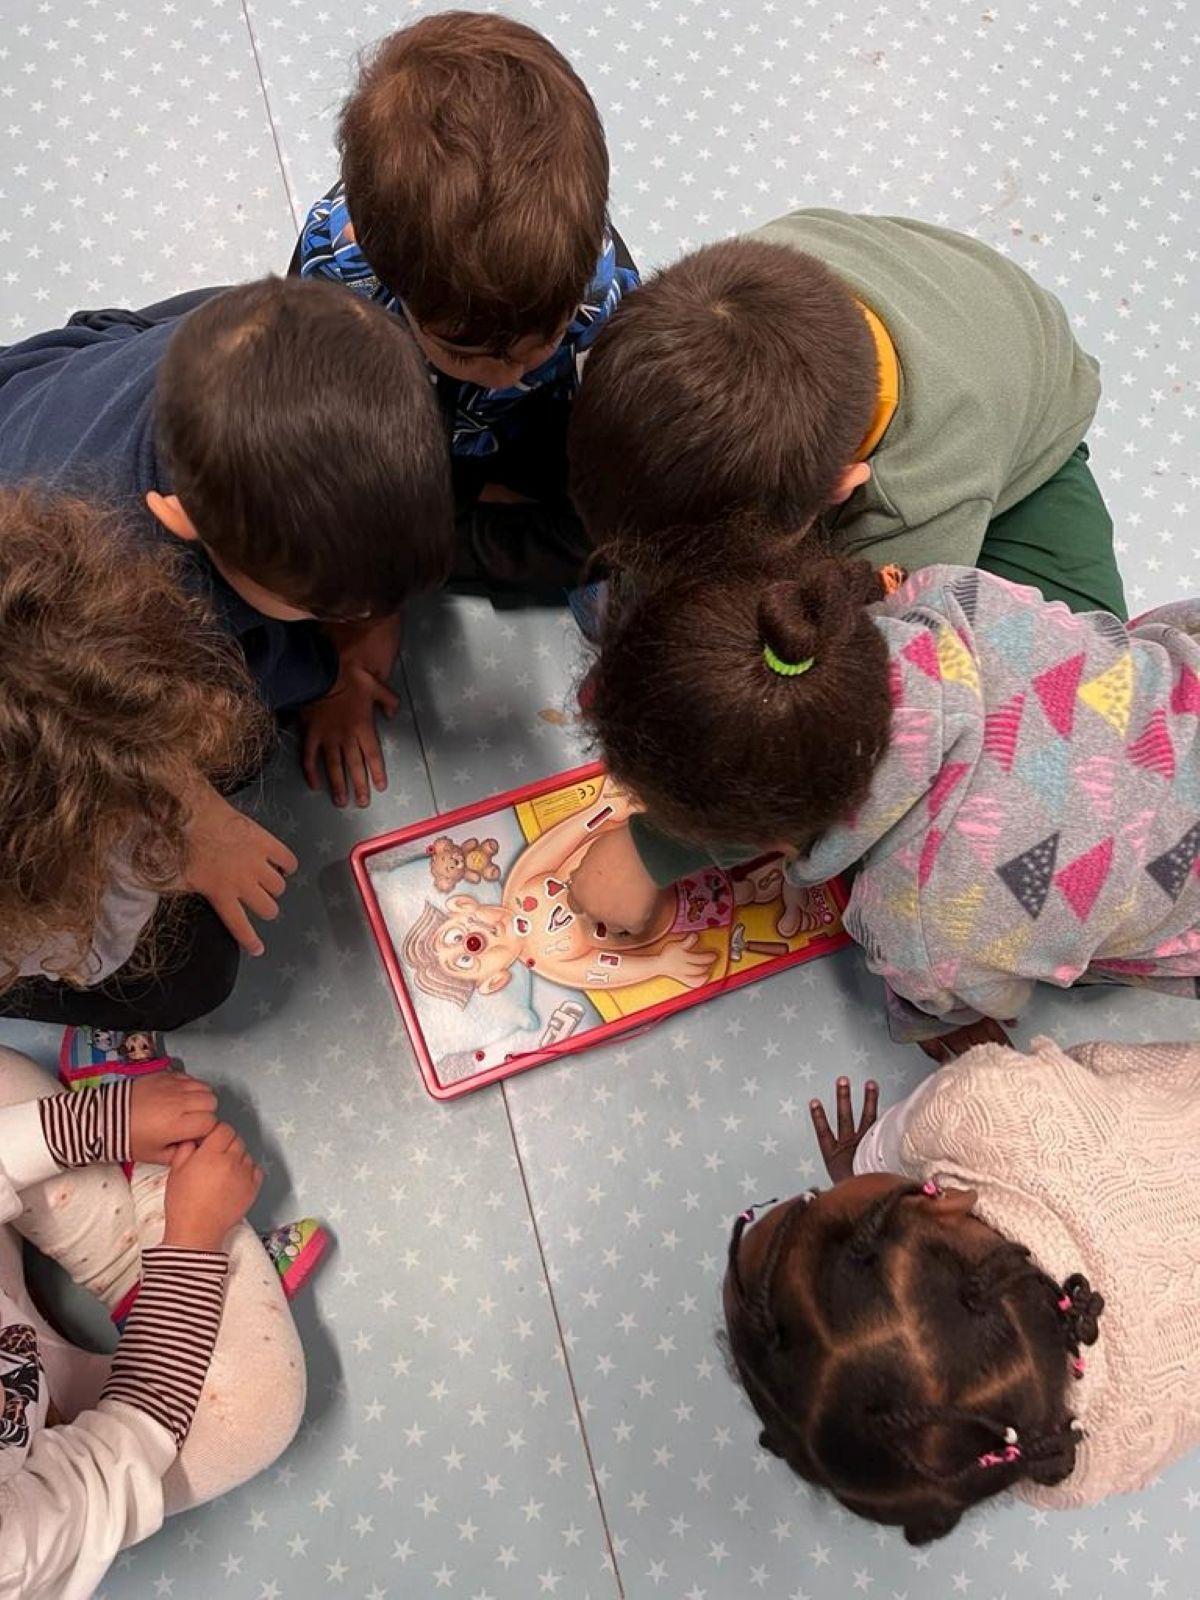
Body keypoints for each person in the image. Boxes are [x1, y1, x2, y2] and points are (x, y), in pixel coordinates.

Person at [581, 540, 1200, 1050]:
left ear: (767, 841)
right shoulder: (946, 591)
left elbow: (982, 999)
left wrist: (924, 1017)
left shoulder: (924, 935)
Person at [0, 276, 454, 813]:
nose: (362, 618)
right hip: (41, 618)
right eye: (321, 606)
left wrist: (377, 610)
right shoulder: (152, 597)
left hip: (38, 388)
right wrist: (330, 683)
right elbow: (258, 676)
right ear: (183, 519)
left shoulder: (248, 338)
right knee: (232, 746)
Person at [725, 1041, 1200, 1542]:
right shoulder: (984, 1110)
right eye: (813, 1199)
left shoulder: (1070, 1467)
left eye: (813, 1197)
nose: (823, 1191)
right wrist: (867, 1160)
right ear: (940, 1203)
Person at [293, 14, 640, 647]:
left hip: (540, 429)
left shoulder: (600, 291)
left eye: (543, 338)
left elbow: (615, 452)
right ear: (375, 259)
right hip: (407, 430)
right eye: (467, 350)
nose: (510, 373)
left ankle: (446, 545)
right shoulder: (335, 279)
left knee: (624, 519)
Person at [0, 1045, 307, 1598]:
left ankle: (152, 1277)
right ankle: (175, 1271)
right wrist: (192, 1241)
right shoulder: (11, 1557)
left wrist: (101, 1122)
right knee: (255, 1413)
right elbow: (120, 1452)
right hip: (77, 1456)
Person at [0, 487, 280, 1029]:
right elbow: (86, 952)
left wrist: (197, 808)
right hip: (45, 921)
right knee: (193, 974)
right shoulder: (37, 916)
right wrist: (161, 858)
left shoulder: (51, 636)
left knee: (248, 741)